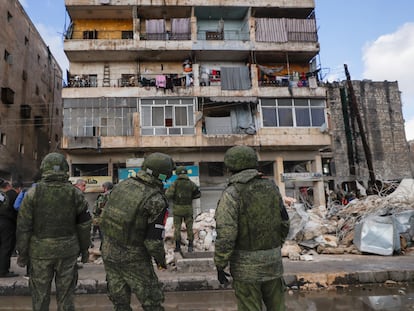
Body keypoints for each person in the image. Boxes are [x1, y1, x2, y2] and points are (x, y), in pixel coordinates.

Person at [214, 145, 290, 311]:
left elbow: (226, 235)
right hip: (273, 264)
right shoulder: (272, 188)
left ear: (230, 166)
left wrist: (220, 263)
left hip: (246, 270)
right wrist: (273, 248)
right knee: (278, 306)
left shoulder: (232, 193)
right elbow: (285, 222)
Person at [16, 152, 92, 311]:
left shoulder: (32, 194)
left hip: (40, 253)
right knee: (66, 297)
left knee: (40, 296)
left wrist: (22, 255)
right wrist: (85, 251)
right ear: (65, 169)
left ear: (44, 168)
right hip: (68, 251)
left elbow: (23, 227)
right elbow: (84, 225)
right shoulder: (75, 194)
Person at [100, 152, 175, 311]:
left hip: (109, 252)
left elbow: (103, 215)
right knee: (152, 302)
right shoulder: (156, 200)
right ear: (163, 175)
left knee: (120, 302)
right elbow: (153, 241)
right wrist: (161, 261)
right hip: (134, 258)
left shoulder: (122, 185)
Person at [165, 166, 201, 253]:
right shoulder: (191, 184)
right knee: (189, 228)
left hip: (177, 210)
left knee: (177, 228)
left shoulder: (175, 183)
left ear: (177, 173)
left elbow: (168, 195)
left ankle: (177, 247)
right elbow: (198, 194)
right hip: (188, 209)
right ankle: (190, 246)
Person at [0, 179, 19, 277]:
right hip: (7, 224)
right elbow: (17, 208)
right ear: (7, 186)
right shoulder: (11, 194)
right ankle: (3, 271)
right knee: (6, 246)